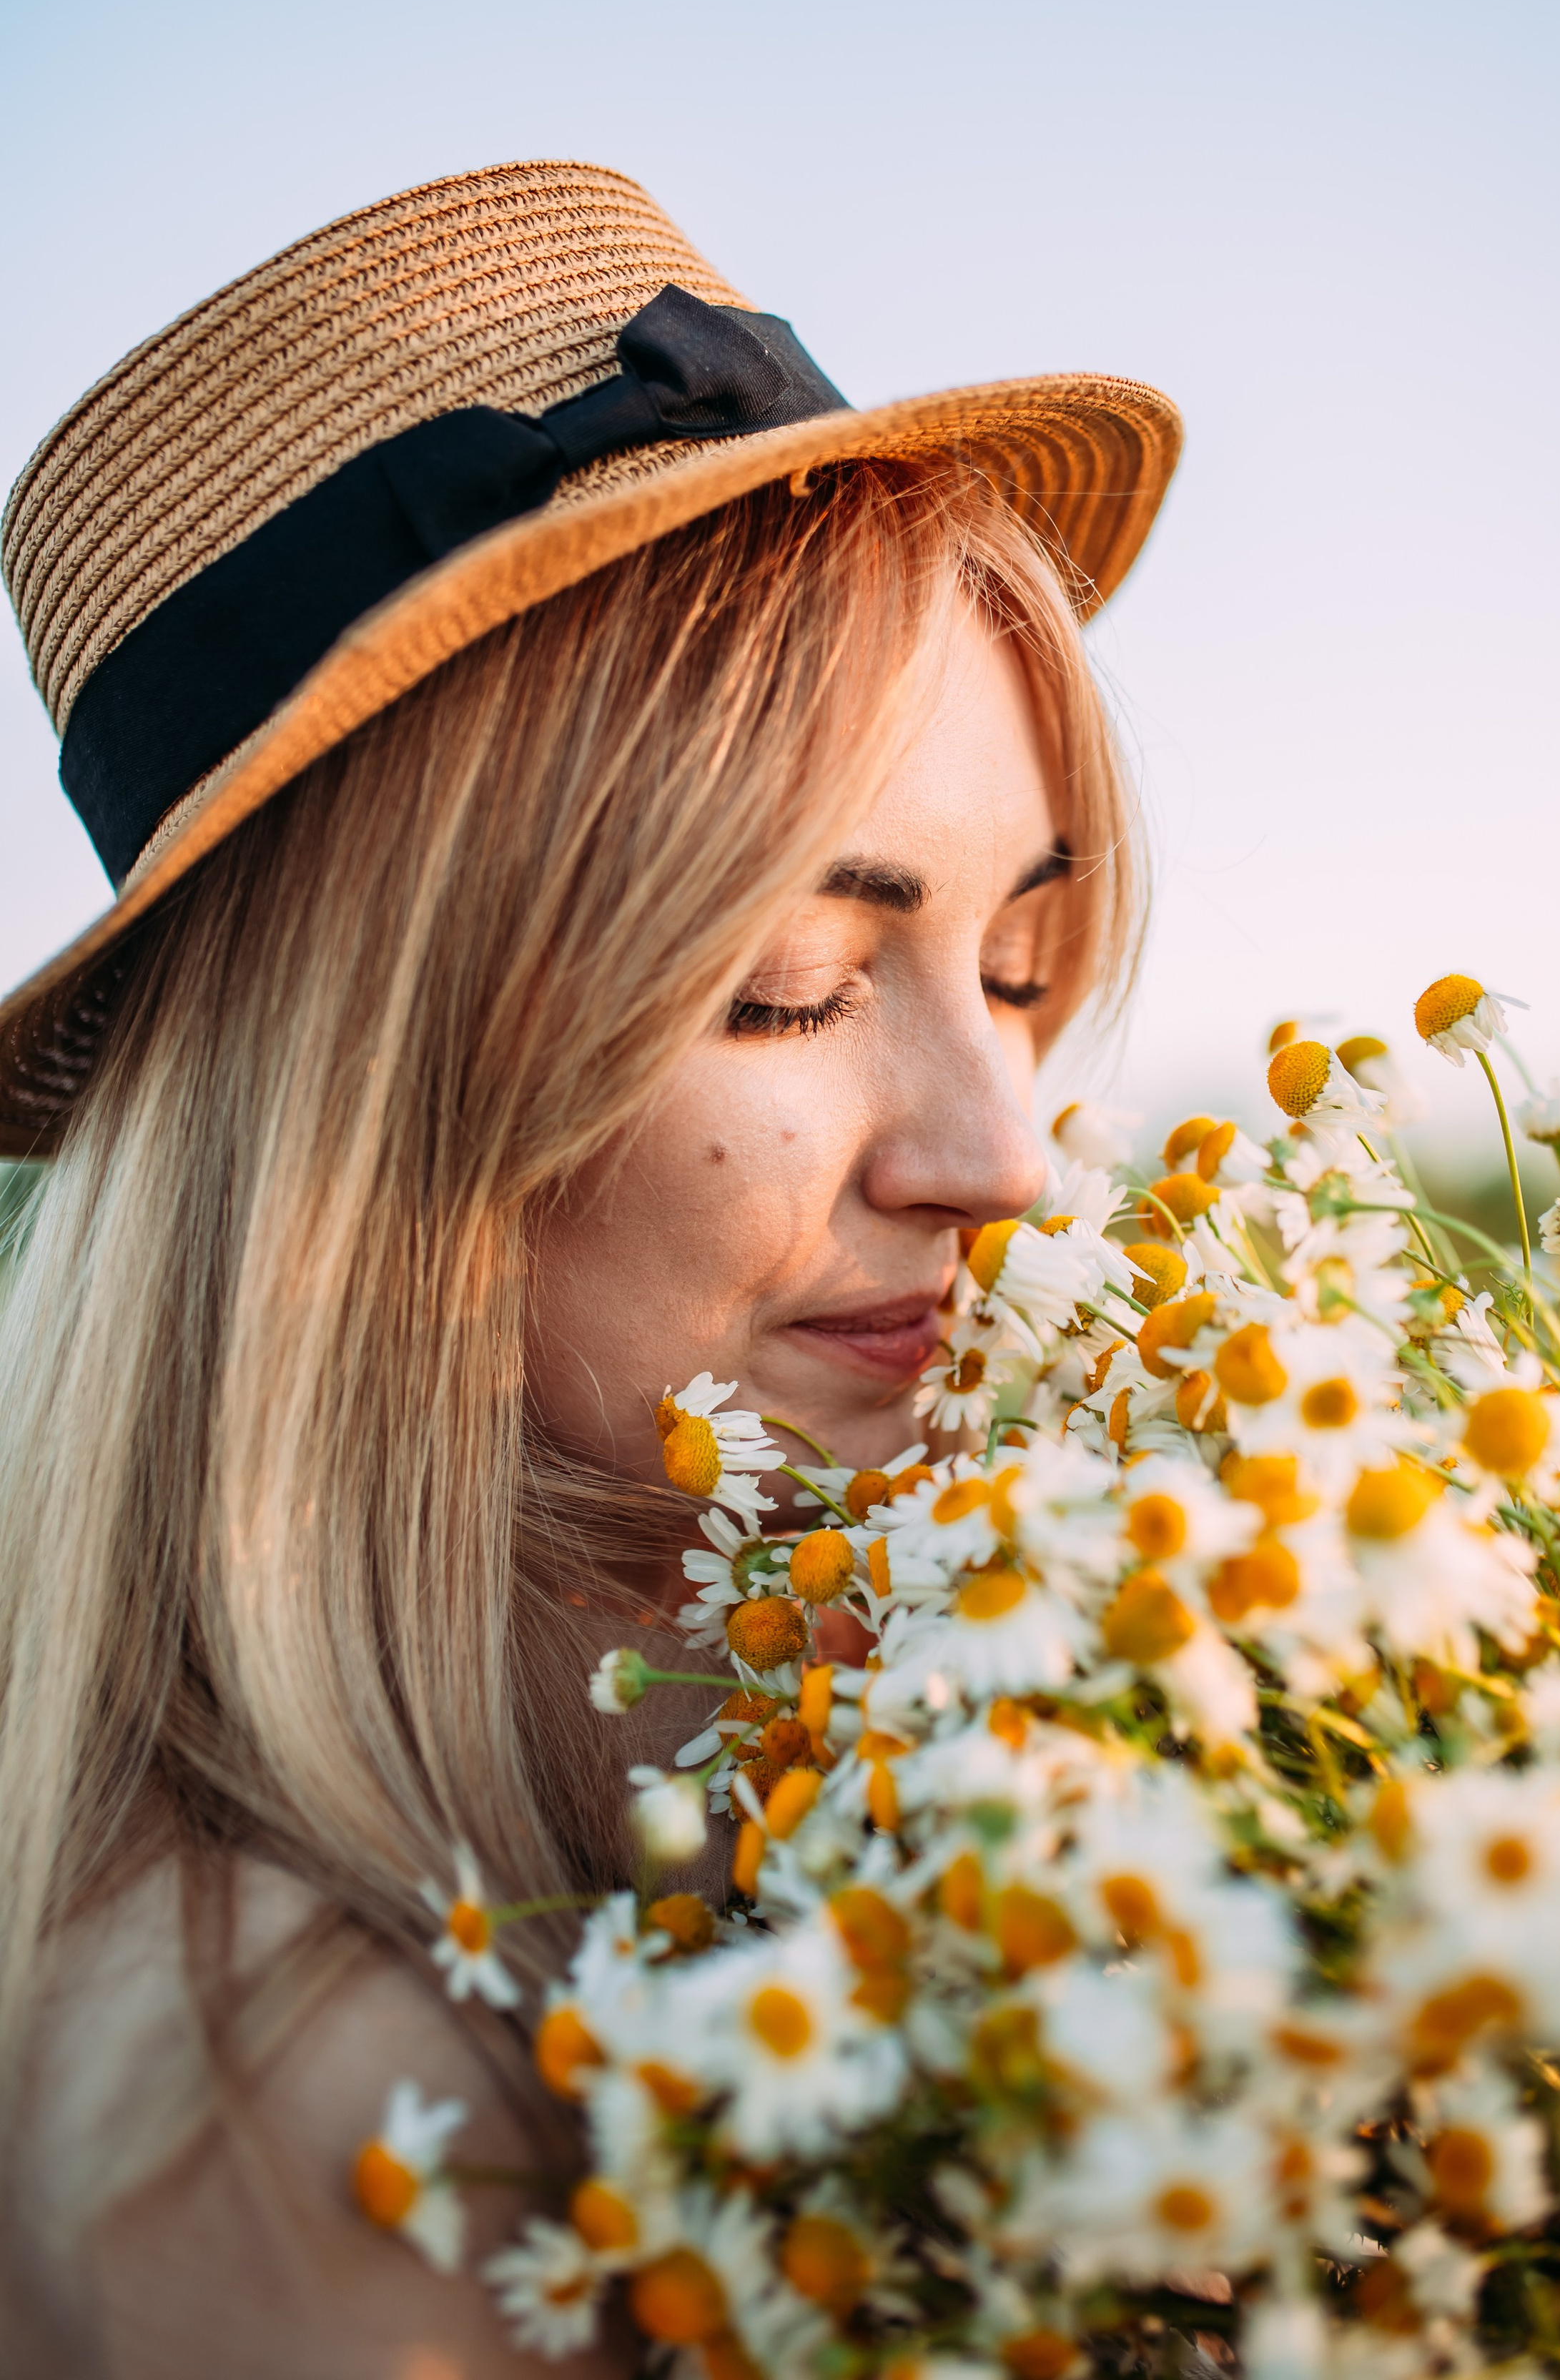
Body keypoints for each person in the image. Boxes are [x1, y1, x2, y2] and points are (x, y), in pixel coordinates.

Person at [0, 162, 1178, 2376]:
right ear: (375, 1097)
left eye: (1019, 970)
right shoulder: (330, 2143)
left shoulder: (961, 1770)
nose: (1007, 1159)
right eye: (789, 986)